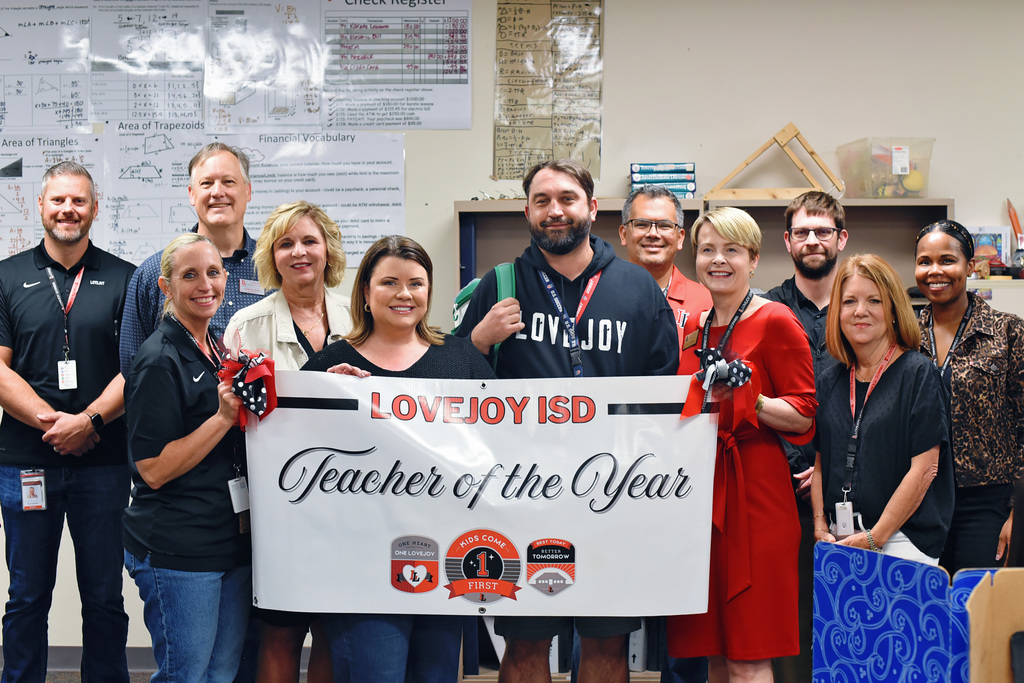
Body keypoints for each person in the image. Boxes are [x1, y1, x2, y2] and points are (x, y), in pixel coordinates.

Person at [454, 159, 679, 682]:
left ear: (592, 208)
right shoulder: (498, 285)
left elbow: (663, 397)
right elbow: (452, 388)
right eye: (542, 200)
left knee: (607, 645)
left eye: (567, 199)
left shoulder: (638, 289)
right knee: (527, 646)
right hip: (523, 499)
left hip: (614, 497)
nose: (555, 210)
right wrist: (481, 338)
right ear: (527, 212)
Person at [303, 235, 494, 682]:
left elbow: (497, 444)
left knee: (437, 676)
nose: (404, 294)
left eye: (416, 283)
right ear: (366, 293)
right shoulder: (331, 365)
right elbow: (300, 457)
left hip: (446, 556)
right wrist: (328, 396)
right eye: (389, 282)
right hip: (360, 564)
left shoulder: (461, 359)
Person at [668, 206, 816, 683]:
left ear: (753, 259)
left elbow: (804, 415)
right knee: (713, 652)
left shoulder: (777, 320)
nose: (718, 260)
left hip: (756, 494)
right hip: (700, 494)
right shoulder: (694, 329)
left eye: (731, 250)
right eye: (707, 250)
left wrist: (750, 396)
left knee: (750, 655)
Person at [0, 161, 135, 682]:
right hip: (25, 463)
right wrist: (56, 425)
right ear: (40, 206)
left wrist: (90, 422)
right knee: (26, 596)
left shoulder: (126, 279)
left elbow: (134, 368)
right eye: (58, 200)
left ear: (95, 208)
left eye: (79, 201)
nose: (68, 210)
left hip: (103, 464)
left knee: (103, 595)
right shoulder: (7, 277)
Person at [224, 201, 349, 683]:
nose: (299, 252)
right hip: (279, 501)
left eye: (309, 241)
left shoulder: (360, 318)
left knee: (331, 623)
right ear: (271, 256)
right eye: (285, 243)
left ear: (328, 250)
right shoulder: (247, 325)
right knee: (280, 627)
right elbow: (237, 419)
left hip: (348, 493)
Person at [123, 234, 251, 682]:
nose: (205, 285)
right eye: (189, 275)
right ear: (165, 287)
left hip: (228, 539)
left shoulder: (215, 345)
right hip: (179, 548)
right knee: (187, 676)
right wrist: (221, 419)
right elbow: (153, 469)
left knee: (220, 675)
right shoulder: (159, 359)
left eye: (213, 273)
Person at [618, 185, 710, 683]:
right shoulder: (602, 293)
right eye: (642, 224)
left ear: (680, 236)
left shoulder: (705, 300)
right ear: (623, 233)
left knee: (686, 611)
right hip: (608, 473)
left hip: (684, 475)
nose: (652, 234)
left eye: (664, 226)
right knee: (602, 610)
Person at [811, 253, 954, 565]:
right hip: (840, 540)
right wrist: (820, 524)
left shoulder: (918, 374)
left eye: (873, 301)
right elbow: (822, 463)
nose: (860, 311)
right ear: (837, 311)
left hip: (901, 541)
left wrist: (877, 536)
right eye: (849, 302)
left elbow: (926, 469)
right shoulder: (829, 380)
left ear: (891, 309)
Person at [763, 190, 848, 682]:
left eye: (822, 231)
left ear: (842, 237)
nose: (812, 240)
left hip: (856, 484)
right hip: (780, 484)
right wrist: (800, 463)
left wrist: (830, 466)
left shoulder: (863, 306)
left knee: (851, 611)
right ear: (787, 242)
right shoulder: (765, 310)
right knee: (790, 617)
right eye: (802, 232)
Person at [914, 220, 1024, 573]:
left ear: (969, 266)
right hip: (918, 500)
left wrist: (1016, 513)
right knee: (926, 612)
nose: (935, 271)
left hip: (986, 502)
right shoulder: (904, 333)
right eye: (924, 261)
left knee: (975, 611)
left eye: (947, 260)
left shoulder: (1008, 331)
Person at [120, 142, 265, 375]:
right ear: (192, 194)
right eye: (206, 183)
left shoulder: (273, 268)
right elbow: (133, 369)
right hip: (179, 410)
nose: (217, 192)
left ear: (247, 191)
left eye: (228, 182)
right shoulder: (152, 273)